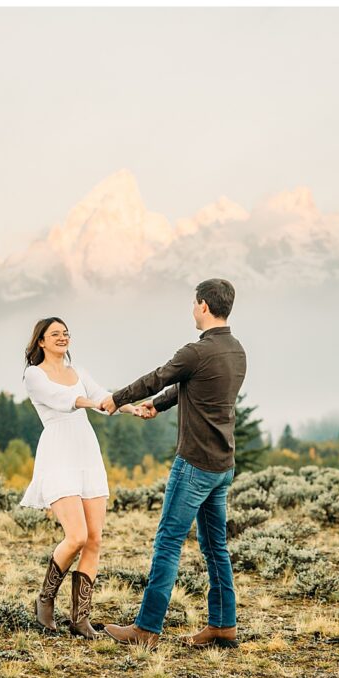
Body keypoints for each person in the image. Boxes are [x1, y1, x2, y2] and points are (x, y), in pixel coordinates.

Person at [101, 278, 247, 650]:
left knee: (167, 542)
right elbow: (188, 387)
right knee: (216, 547)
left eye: (193, 304)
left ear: (203, 305)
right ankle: (222, 625)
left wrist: (117, 400)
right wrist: (159, 405)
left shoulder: (196, 351)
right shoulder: (236, 351)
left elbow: (159, 377)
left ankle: (147, 629)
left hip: (195, 465)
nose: (191, 309)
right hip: (222, 465)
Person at [19, 317, 142, 639]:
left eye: (65, 333)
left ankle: (80, 618)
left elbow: (105, 397)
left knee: (95, 539)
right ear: (41, 341)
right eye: (54, 334)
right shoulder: (34, 375)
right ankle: (45, 599)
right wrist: (90, 402)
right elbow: (65, 401)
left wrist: (134, 408)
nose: (62, 337)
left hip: (87, 453)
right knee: (75, 536)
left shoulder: (79, 372)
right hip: (58, 453)